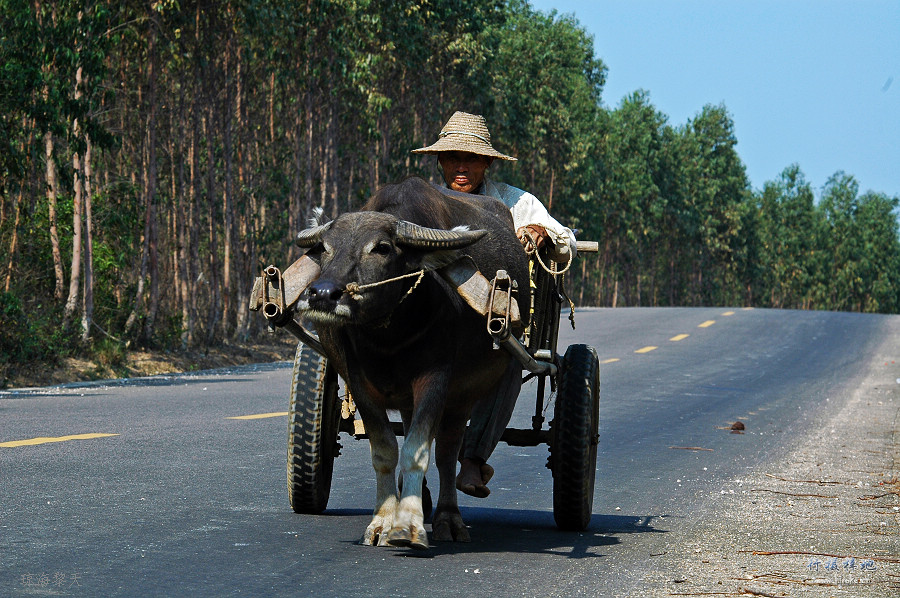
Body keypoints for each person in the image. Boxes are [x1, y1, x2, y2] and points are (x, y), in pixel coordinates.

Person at [412, 111, 576, 498]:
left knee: (507, 360)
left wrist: (540, 232)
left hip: (491, 324)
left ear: (487, 162)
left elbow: (565, 237)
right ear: (441, 161)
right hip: (430, 323)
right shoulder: (422, 204)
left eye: (471, 159)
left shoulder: (513, 201)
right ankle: (413, 471)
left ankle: (472, 462)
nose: (461, 167)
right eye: (453, 158)